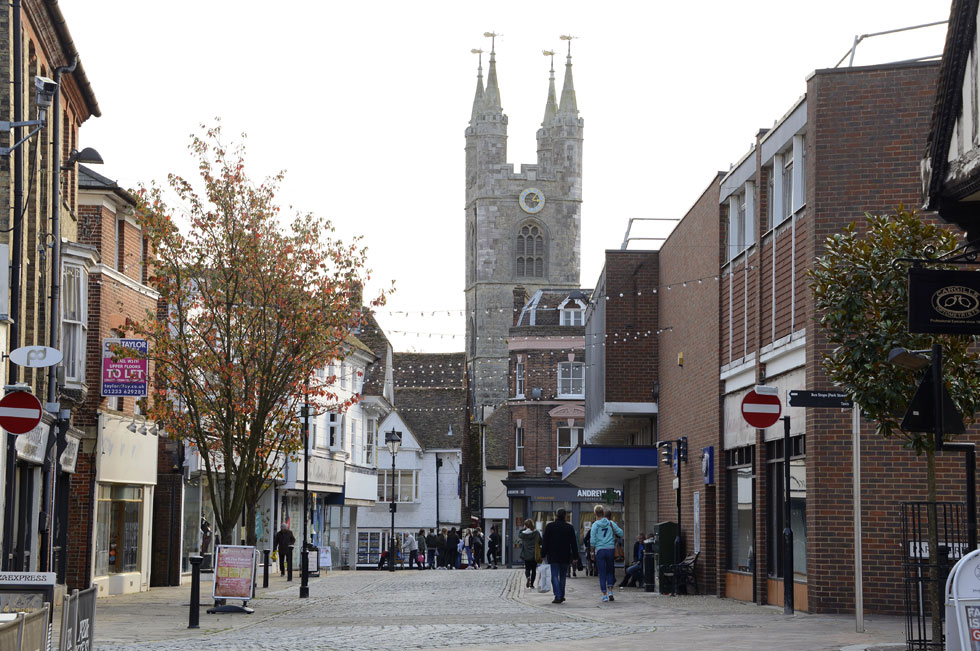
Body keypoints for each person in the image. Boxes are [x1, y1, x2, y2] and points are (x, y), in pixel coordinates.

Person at [542, 509, 580, 604]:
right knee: (563, 576)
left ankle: (558, 595)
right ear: (565, 516)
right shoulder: (569, 527)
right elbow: (573, 543)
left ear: (556, 515)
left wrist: (543, 554)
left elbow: (545, 542)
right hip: (565, 555)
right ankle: (561, 595)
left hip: (553, 555)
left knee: (554, 576)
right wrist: (575, 556)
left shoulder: (550, 526)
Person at [590, 505, 624, 602]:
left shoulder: (595, 525)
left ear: (595, 514)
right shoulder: (611, 523)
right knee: (610, 570)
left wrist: (592, 552)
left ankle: (604, 594)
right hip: (610, 549)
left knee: (602, 572)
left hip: (600, 550)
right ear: (603, 513)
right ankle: (610, 591)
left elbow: (593, 540)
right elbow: (621, 533)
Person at [517, 519, 540, 588]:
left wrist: (524, 529)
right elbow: (540, 541)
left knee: (527, 568)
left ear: (526, 526)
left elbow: (519, 535)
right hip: (534, 554)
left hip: (526, 554)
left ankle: (528, 577)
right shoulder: (536, 532)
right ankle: (532, 584)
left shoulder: (523, 533)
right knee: (533, 570)